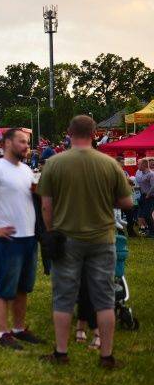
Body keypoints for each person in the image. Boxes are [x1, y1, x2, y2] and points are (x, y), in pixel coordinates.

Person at [36, 116, 133, 369]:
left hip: (66, 238)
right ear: (94, 133)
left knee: (64, 297)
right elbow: (127, 203)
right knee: (104, 298)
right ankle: (107, 356)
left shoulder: (54, 164)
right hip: (102, 239)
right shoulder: (109, 164)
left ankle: (61, 352)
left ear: (69, 133)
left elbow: (46, 205)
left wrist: (50, 231)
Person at [0, 128, 42, 350]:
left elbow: (34, 196)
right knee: (4, 288)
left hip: (29, 238)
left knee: (23, 287)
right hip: (8, 240)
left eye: (28, 142)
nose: (26, 146)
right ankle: (3, 333)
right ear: (7, 143)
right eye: (21, 141)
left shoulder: (26, 170)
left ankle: (19, 328)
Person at [133, 159, 153, 235]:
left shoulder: (151, 174)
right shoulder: (141, 173)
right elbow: (140, 184)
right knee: (141, 214)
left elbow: (153, 186)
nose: (137, 166)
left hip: (150, 197)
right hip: (142, 195)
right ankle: (146, 229)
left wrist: (148, 194)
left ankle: (152, 231)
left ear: (144, 165)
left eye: (139, 164)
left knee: (147, 215)